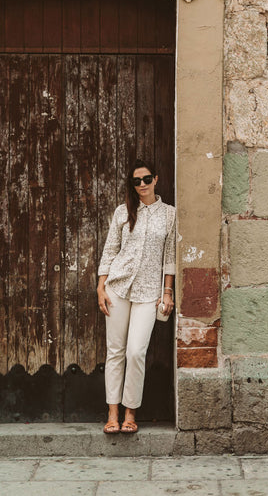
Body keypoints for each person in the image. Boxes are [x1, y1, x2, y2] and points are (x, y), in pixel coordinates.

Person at [97, 158, 176, 434]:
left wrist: (167, 291)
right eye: (136, 181)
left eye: (146, 179)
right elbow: (110, 250)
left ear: (155, 179)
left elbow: (170, 256)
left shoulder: (170, 214)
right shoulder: (123, 211)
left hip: (148, 293)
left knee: (135, 351)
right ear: (132, 184)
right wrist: (100, 287)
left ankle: (132, 412)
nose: (141, 185)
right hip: (117, 289)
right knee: (115, 351)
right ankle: (113, 413)